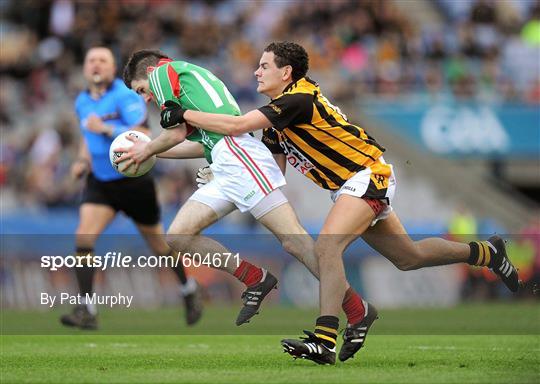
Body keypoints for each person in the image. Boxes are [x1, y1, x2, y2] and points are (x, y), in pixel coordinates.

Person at [160, 41, 522, 365]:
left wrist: (185, 114)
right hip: (351, 185)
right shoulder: (277, 116)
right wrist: (218, 171)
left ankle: (324, 338)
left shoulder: (297, 99)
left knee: (328, 246)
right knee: (409, 257)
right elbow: (272, 171)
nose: (256, 71)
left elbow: (237, 125)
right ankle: (487, 253)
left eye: (264, 65)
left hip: (367, 175)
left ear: (285, 73)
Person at [117, 50, 368, 335]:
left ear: (149, 72)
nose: (146, 97)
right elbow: (202, 145)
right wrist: (151, 155)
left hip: (239, 158)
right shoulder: (187, 82)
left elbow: (173, 134)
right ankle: (255, 278)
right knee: (178, 236)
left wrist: (145, 149)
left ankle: (357, 309)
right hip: (226, 160)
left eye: (141, 90)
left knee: (294, 241)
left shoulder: (161, 74)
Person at [61, 47, 202, 330]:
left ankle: (188, 288)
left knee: (159, 244)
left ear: (113, 69)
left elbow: (145, 135)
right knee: (84, 238)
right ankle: (86, 310)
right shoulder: (82, 101)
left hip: (133, 178)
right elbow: (86, 137)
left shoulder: (126, 96)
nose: (96, 64)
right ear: (85, 69)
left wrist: (106, 129)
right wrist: (80, 160)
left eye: (103, 60)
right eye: (91, 60)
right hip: (101, 181)